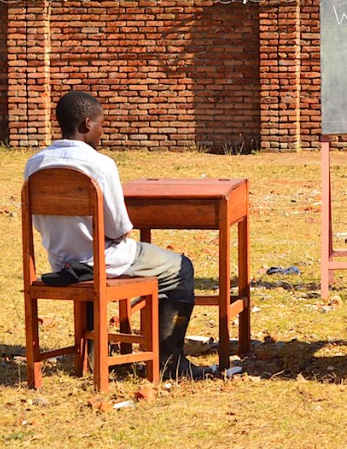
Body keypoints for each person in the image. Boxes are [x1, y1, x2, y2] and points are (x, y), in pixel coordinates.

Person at [24, 90, 215, 380]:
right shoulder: (100, 165)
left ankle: (91, 355)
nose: (102, 132)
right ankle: (170, 361)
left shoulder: (35, 163)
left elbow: (37, 223)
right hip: (104, 261)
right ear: (86, 124)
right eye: (101, 124)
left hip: (61, 264)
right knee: (181, 269)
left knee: (103, 267)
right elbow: (118, 229)